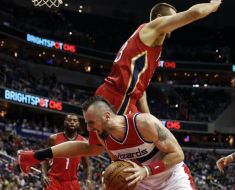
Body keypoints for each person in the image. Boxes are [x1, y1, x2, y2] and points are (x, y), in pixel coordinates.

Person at [90, 0, 223, 145]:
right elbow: (195, 13)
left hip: (121, 96)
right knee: (130, 151)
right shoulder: (154, 28)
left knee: (95, 148)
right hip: (118, 97)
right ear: (159, 17)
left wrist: (148, 117)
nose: (173, 22)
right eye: (171, 17)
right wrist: (212, 5)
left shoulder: (150, 39)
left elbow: (140, 89)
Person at [18, 96, 196, 189]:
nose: (88, 128)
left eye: (91, 123)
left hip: (172, 179)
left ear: (106, 116)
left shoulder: (144, 123)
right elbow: (85, 148)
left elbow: (178, 154)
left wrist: (147, 170)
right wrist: (37, 156)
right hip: (141, 183)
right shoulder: (105, 137)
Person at [41, 114, 91, 190]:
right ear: (65, 122)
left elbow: (86, 165)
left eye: (75, 121)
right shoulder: (53, 139)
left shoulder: (84, 142)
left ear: (78, 124)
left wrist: (88, 179)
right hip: (54, 180)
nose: (72, 122)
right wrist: (44, 175)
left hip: (72, 182)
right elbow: (44, 159)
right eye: (69, 120)